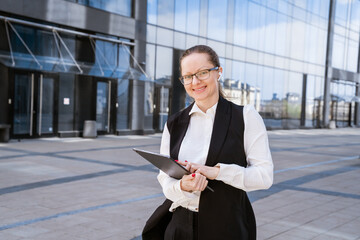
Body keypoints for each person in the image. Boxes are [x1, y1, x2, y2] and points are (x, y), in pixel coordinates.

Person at [142, 45, 273, 240]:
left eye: (202, 73)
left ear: (218, 72)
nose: (195, 82)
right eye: (188, 76)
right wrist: (182, 187)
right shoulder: (174, 123)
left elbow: (264, 177)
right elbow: (165, 177)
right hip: (178, 226)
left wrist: (218, 172)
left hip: (225, 226)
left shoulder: (245, 117)